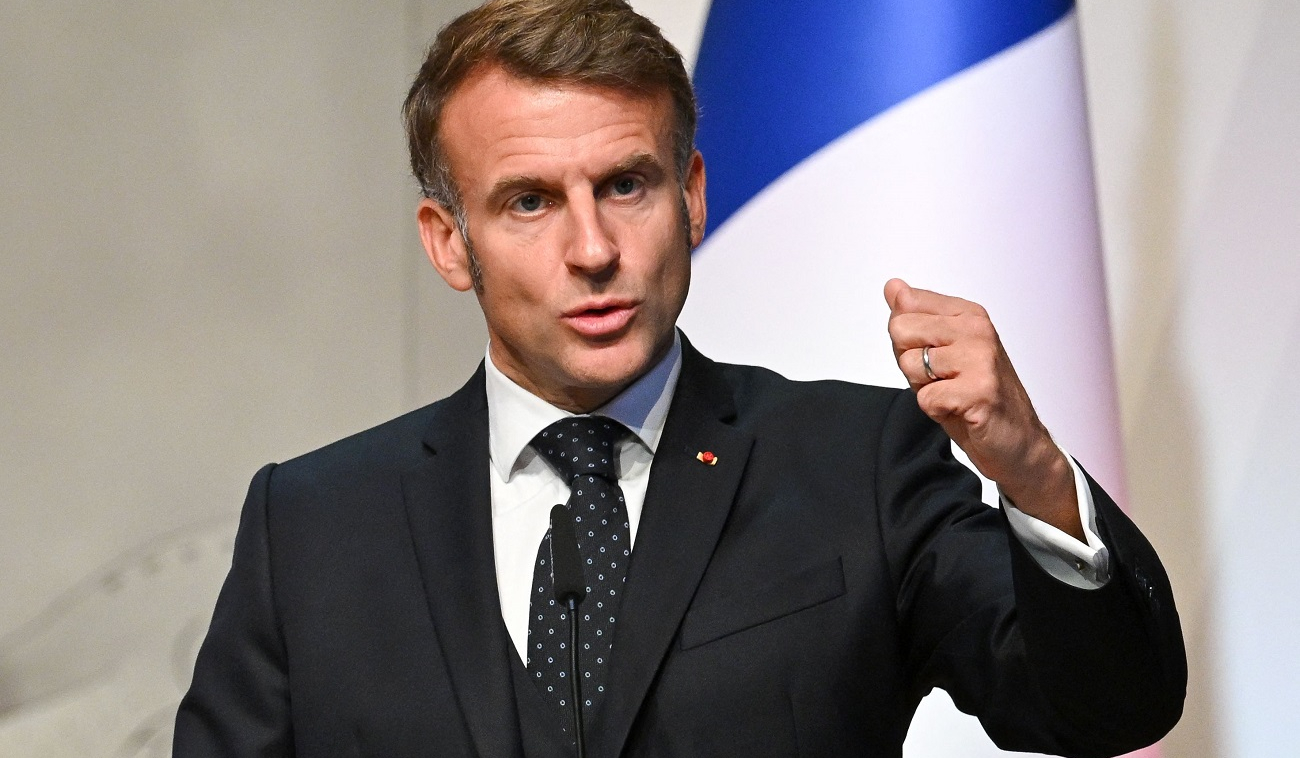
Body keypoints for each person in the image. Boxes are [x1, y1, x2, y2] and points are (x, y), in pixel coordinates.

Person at [173, 1, 1186, 756]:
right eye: (529, 202)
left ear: (692, 195)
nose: (592, 249)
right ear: (448, 241)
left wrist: (1034, 474)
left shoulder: (859, 466)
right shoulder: (312, 526)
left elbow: (1107, 709)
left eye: (626, 184)